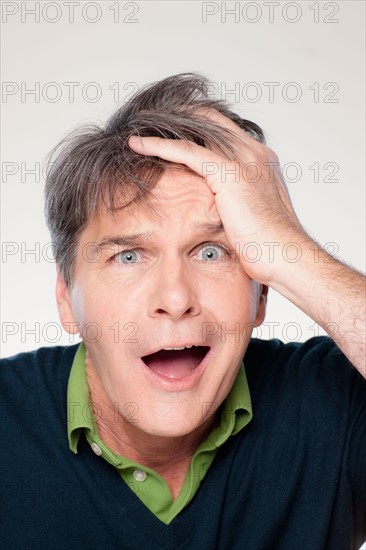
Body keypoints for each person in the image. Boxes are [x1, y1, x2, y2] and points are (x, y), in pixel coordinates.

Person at [1, 73, 365, 550]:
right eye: (128, 256)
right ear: (67, 299)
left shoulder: (332, 403)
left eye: (211, 253)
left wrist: (290, 249)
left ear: (262, 295)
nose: (175, 300)